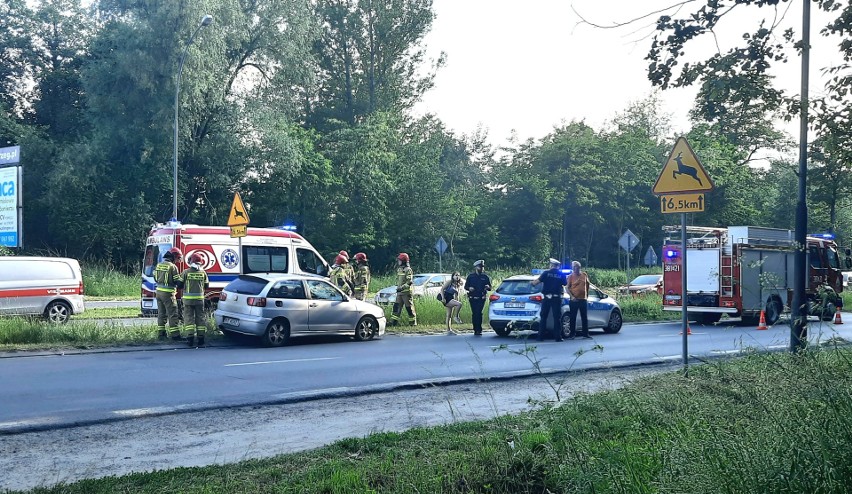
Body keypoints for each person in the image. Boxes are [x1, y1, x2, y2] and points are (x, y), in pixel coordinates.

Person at [531, 258, 568, 341]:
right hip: (556, 298)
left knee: (543, 317)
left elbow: (536, 282)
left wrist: (531, 283)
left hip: (546, 298)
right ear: (558, 266)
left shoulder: (546, 273)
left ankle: (540, 337)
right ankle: (558, 337)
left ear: (551, 265)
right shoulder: (561, 274)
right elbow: (565, 283)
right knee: (557, 318)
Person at [178, 253, 210, 347]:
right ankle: (201, 339)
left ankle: (190, 338)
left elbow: (179, 285)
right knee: (200, 318)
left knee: (189, 319)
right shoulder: (203, 273)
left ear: (191, 261)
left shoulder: (186, 272)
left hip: (188, 301)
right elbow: (207, 286)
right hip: (200, 300)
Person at [154, 247, 184, 341]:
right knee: (172, 314)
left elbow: (155, 278)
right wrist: (182, 280)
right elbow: (177, 281)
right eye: (178, 258)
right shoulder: (172, 267)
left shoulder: (159, 265)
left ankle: (161, 334)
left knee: (161, 314)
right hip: (168, 294)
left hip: (158, 292)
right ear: (173, 257)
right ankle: (175, 335)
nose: (178, 261)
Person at [464, 260, 492, 336]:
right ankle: (475, 329)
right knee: (474, 313)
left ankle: (479, 329)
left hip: (481, 298)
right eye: (480, 267)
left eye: (482, 267)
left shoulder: (485, 277)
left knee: (479, 313)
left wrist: (488, 287)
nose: (482, 268)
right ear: (476, 267)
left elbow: (490, 287)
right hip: (472, 297)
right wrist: (469, 288)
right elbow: (466, 286)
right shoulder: (471, 276)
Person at [567, 260, 592, 339]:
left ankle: (585, 333)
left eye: (577, 268)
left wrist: (587, 294)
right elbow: (567, 288)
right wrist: (572, 296)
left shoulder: (584, 275)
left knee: (584, 317)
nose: (576, 269)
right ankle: (572, 334)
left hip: (583, 299)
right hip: (574, 300)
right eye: (574, 268)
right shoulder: (570, 276)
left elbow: (588, 284)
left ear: (579, 268)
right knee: (573, 317)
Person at [390, 252, 416, 326]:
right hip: (399, 293)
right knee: (396, 307)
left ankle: (412, 323)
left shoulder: (408, 270)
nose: (398, 262)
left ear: (404, 261)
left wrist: (401, 288)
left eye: (400, 260)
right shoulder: (399, 270)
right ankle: (394, 323)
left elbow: (409, 282)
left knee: (409, 308)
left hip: (406, 293)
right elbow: (398, 280)